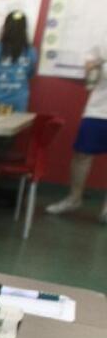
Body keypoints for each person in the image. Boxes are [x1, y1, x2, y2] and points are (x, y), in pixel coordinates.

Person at [46, 43, 107, 223]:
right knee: (81, 155)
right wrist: (91, 68)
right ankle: (74, 198)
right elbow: (89, 77)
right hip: (98, 110)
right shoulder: (102, 42)